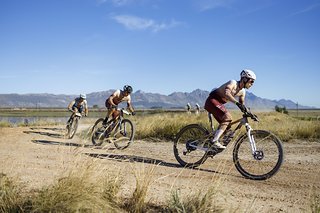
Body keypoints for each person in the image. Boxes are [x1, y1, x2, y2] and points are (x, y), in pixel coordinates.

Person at [204, 69, 256, 149]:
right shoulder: (233, 83)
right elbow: (227, 93)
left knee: (227, 128)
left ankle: (210, 145)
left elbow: (242, 105)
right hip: (212, 101)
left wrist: (250, 114)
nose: (252, 84)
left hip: (218, 104)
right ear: (245, 79)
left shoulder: (243, 92)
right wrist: (236, 103)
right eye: (251, 81)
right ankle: (214, 141)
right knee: (228, 117)